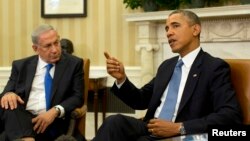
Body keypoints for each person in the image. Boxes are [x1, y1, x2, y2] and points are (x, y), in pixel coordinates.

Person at [92, 10, 242, 141]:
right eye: (167, 28)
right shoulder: (167, 66)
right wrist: (121, 79)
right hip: (150, 128)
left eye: (175, 26)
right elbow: (141, 99)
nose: (169, 32)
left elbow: (230, 115)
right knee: (114, 122)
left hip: (180, 135)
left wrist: (179, 128)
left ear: (195, 29)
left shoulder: (213, 67)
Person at [0, 24, 84, 141]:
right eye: (48, 46)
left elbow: (78, 97)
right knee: (9, 102)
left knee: (6, 136)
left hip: (51, 124)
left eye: (56, 43)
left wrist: (55, 111)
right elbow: (6, 92)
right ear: (35, 48)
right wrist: (8, 94)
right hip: (23, 120)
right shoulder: (21, 66)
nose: (54, 49)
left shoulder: (74, 64)